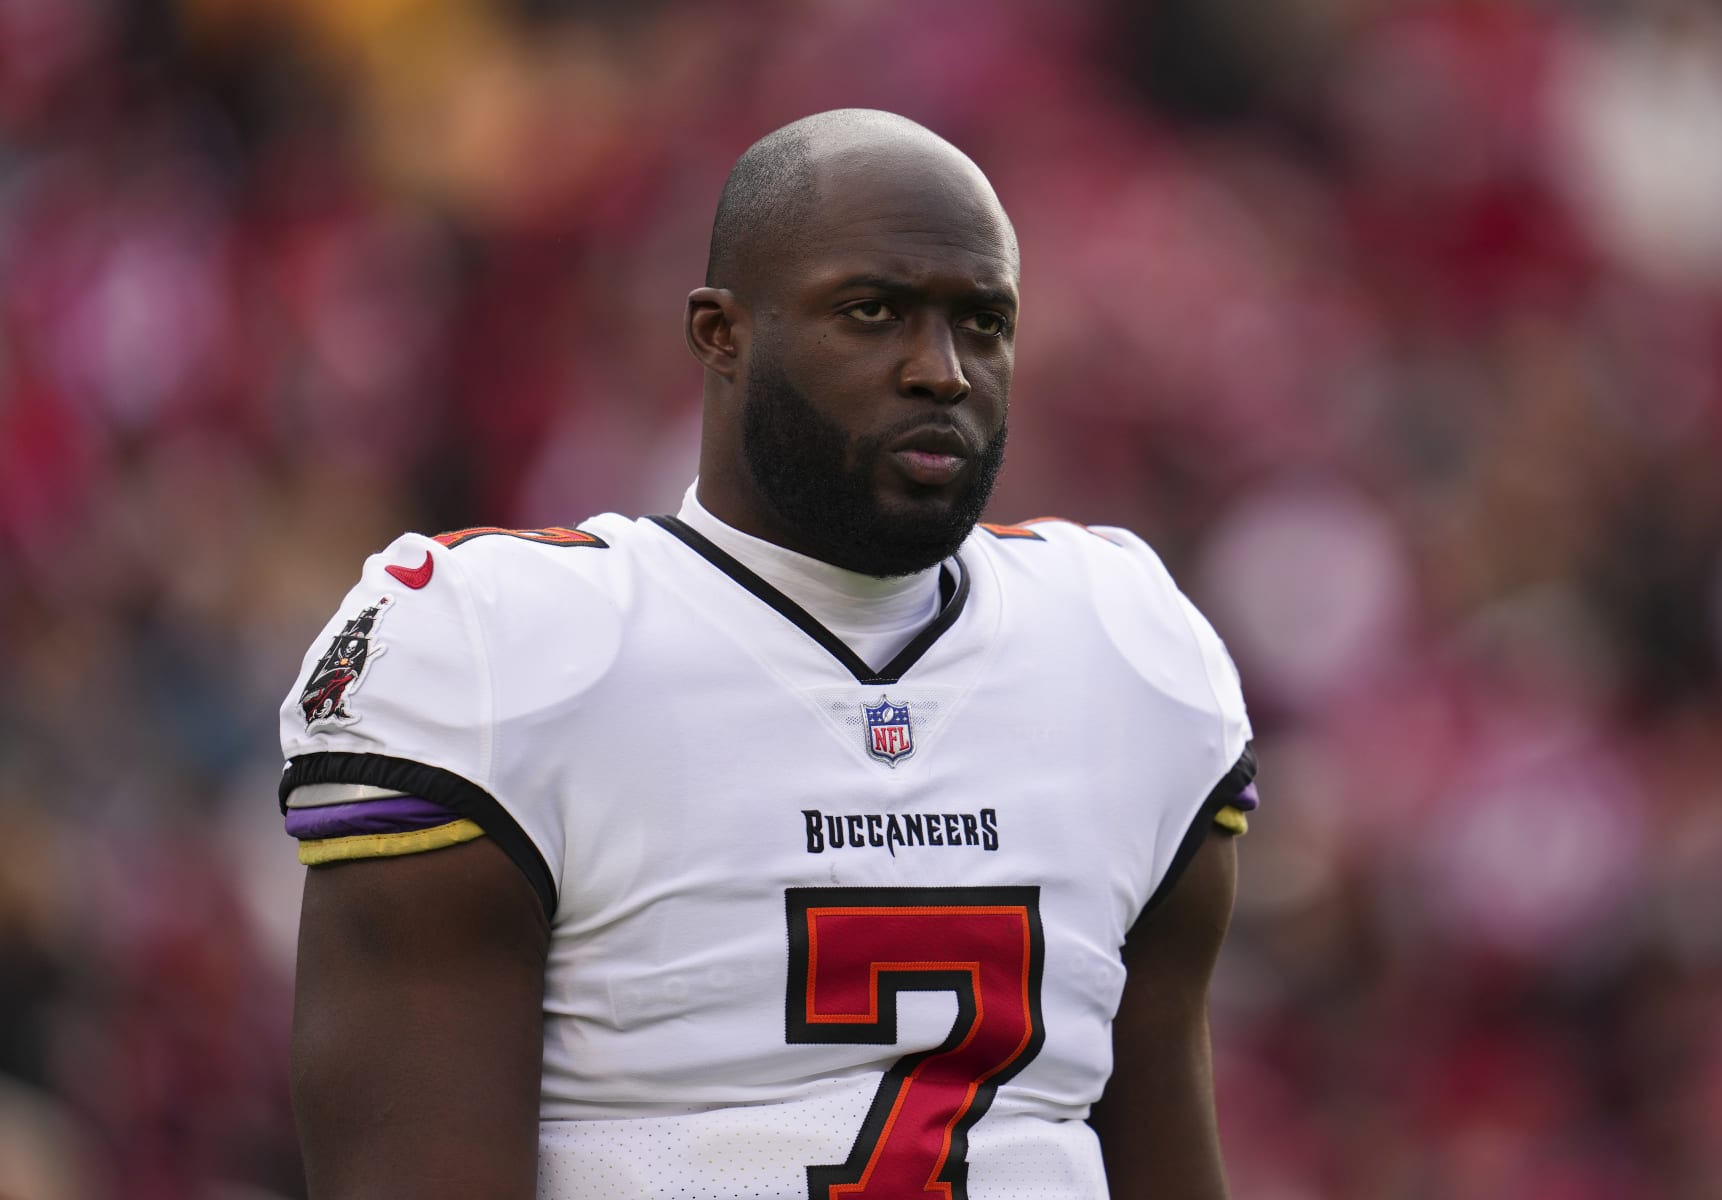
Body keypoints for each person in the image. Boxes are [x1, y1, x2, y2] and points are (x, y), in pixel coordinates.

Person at [278, 108, 1257, 1200]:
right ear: (721, 334)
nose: (943, 372)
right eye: (873, 311)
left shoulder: (1123, 642)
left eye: (983, 323)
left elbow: (1164, 1142)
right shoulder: (499, 648)